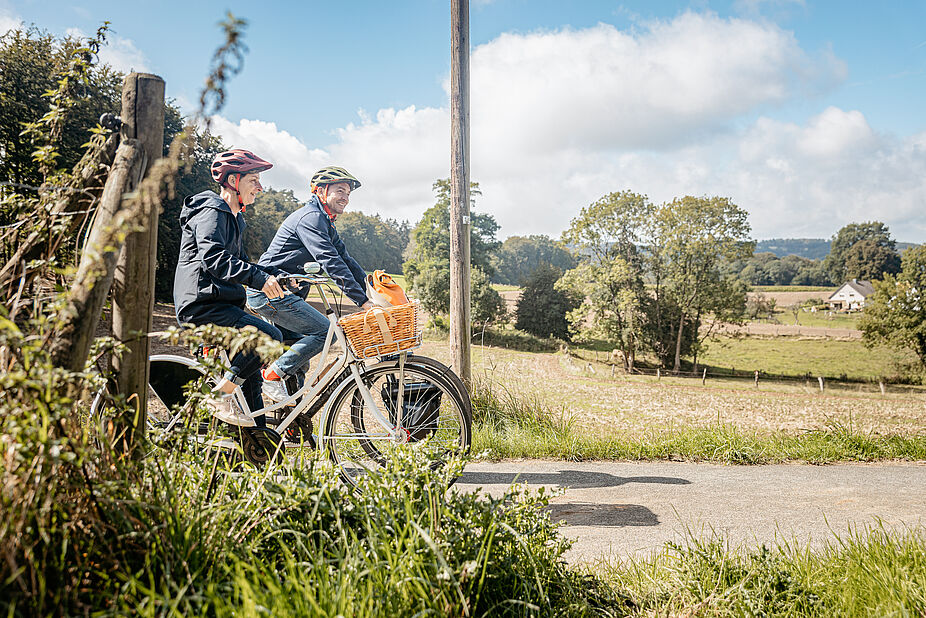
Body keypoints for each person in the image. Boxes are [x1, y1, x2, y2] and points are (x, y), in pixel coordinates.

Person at [173, 148, 286, 426]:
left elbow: (242, 262)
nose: (260, 187)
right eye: (254, 180)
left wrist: (278, 275)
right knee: (269, 337)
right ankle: (218, 397)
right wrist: (259, 280)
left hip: (221, 304)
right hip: (202, 305)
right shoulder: (212, 210)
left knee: (251, 381)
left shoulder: (233, 219)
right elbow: (215, 259)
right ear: (234, 181)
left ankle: (259, 441)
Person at [246, 166, 374, 401]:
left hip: (285, 294)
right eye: (340, 190)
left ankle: (292, 415)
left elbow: (346, 259)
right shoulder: (311, 218)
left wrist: (372, 288)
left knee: (297, 362)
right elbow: (331, 261)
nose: (345, 198)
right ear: (321, 191)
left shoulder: (326, 222)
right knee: (326, 332)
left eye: (348, 193)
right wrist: (363, 302)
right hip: (269, 291)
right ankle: (271, 376)